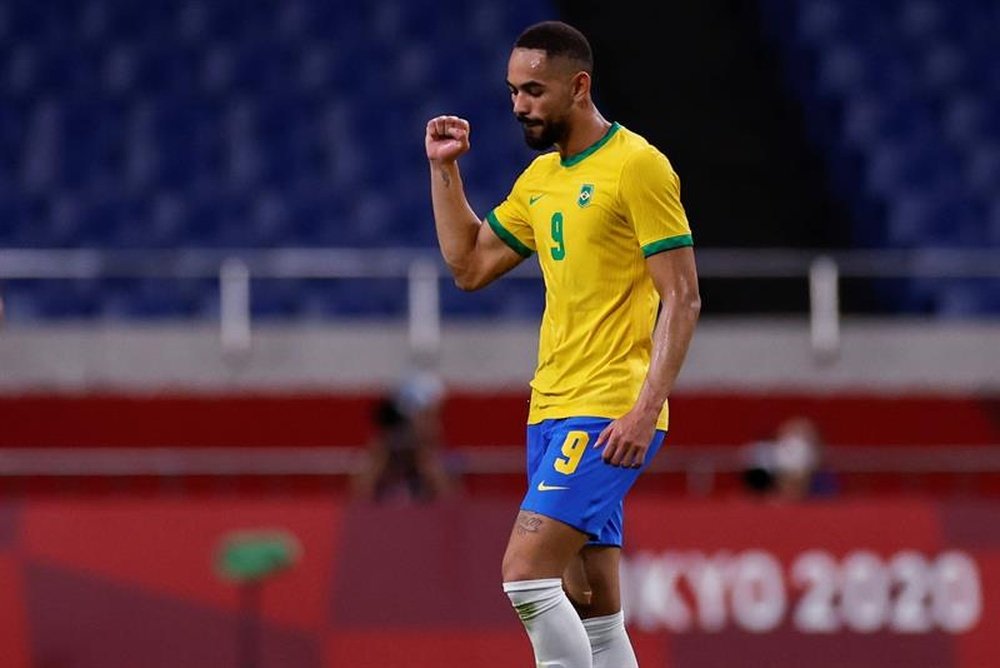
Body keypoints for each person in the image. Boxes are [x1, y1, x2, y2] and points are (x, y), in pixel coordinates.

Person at [425, 21, 700, 667]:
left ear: (579, 86)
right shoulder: (542, 178)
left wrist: (644, 406)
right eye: (513, 91)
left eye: (534, 91)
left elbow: (683, 297)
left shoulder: (638, 166)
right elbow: (469, 266)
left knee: (525, 573)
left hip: (609, 410)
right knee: (593, 606)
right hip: (550, 408)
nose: (519, 105)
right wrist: (446, 171)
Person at [351, 371, 455, 504]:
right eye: (429, 416)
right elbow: (360, 495)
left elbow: (450, 503)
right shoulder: (381, 452)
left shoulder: (436, 460)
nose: (437, 427)